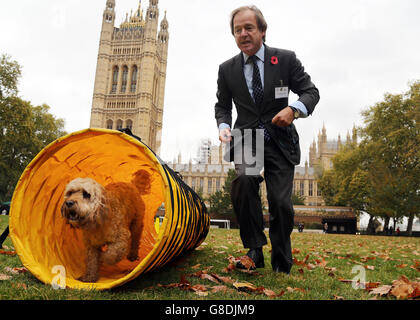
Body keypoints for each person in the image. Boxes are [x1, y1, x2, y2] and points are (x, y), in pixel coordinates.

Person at [215, 6, 319, 274]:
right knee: (245, 180)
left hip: (280, 139)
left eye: (249, 28)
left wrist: (294, 109)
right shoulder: (227, 69)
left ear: (262, 30)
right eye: (237, 30)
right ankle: (254, 250)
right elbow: (222, 105)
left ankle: (281, 259)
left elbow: (311, 92)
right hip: (247, 138)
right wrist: (224, 125)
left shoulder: (284, 60)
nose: (243, 34)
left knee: (281, 203)